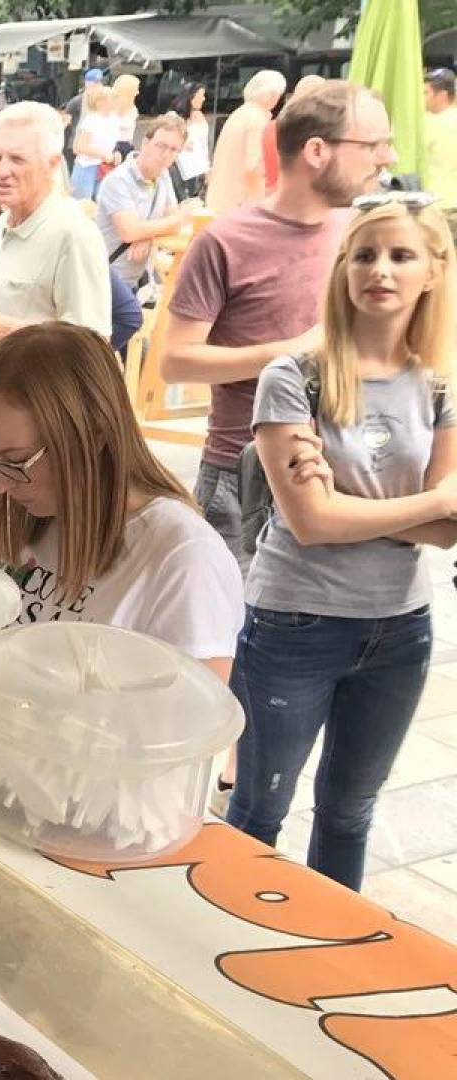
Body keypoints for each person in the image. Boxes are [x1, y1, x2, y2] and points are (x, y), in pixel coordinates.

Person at [225, 194, 457, 892]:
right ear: (343, 269)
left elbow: (448, 530)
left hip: (400, 629)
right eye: (364, 255)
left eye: (400, 255)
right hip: (294, 623)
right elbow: (311, 524)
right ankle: (228, 936)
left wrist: (344, 502)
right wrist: (428, 502)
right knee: (258, 812)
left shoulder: (438, 388)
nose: (379, 270)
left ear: (433, 272)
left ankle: (330, 942)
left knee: (350, 813)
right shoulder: (294, 377)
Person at [161, 81, 398, 570]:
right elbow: (176, 362)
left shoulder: (362, 233)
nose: (388, 158)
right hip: (245, 479)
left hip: (350, 472)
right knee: (236, 618)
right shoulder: (226, 241)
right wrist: (293, 351)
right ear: (317, 151)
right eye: (374, 145)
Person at [0, 322, 243, 674]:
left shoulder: (184, 558)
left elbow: (198, 707)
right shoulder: (20, 518)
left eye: (15, 462)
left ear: (94, 435)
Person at [0, 103, 111, 370]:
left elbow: (93, 346)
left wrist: (1, 329)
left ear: (52, 165)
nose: (2, 171)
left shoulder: (73, 234)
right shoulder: (6, 219)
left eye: (17, 159)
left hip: (36, 396)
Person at [94, 114, 199, 289]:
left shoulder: (163, 175)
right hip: (107, 278)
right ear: (145, 143)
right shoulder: (119, 180)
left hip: (138, 279)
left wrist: (147, 236)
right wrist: (181, 218)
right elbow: (129, 231)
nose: (165, 154)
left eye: (173, 149)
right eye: (161, 146)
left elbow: (171, 221)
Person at [206, 69, 286, 214]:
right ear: (273, 95)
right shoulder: (258, 121)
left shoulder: (239, 114)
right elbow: (255, 167)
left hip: (220, 199)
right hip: (239, 204)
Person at [70, 84, 119, 199]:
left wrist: (115, 153)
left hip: (104, 167)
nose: (116, 101)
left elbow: (111, 144)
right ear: (100, 102)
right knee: (82, 202)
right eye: (112, 98)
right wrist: (103, 155)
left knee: (102, 201)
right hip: (86, 167)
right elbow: (79, 147)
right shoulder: (91, 121)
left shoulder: (114, 119)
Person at [171, 84, 212, 200]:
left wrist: (207, 167)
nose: (203, 99)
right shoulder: (174, 117)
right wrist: (181, 144)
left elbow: (204, 145)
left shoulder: (200, 116)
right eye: (201, 95)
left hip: (197, 165)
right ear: (191, 97)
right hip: (180, 165)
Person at [425, 68, 457, 205]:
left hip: (437, 203)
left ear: (442, 95)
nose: (423, 98)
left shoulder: (428, 123)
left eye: (426, 92)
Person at [63, 67, 104, 168]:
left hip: (94, 144)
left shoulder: (102, 100)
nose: (98, 85)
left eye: (99, 82)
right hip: (76, 143)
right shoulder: (77, 101)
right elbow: (66, 121)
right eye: (96, 83)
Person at [109, 73, 142, 159]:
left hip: (127, 147)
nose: (138, 93)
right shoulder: (110, 108)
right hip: (112, 147)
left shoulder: (133, 108)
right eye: (136, 89)